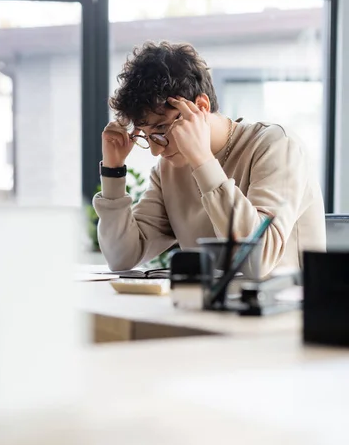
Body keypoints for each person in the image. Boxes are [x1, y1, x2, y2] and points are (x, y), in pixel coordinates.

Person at [93, 41, 326, 277]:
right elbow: (121, 257)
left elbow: (256, 260)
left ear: (201, 107)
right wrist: (113, 171)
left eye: (162, 129)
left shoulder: (277, 146)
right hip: (204, 308)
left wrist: (202, 160)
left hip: (286, 310)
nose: (155, 151)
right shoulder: (169, 169)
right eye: (147, 135)